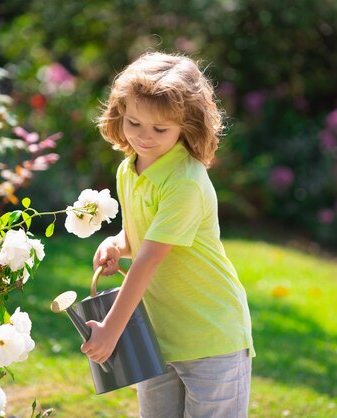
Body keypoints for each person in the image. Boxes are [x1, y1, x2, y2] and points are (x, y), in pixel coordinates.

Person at [81, 51, 255, 418]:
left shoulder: (185, 182)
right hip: (158, 336)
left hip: (210, 337)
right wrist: (115, 244)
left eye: (160, 129)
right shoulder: (129, 170)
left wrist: (111, 329)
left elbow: (148, 260)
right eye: (133, 123)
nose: (144, 137)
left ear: (186, 125)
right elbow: (138, 239)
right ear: (119, 113)